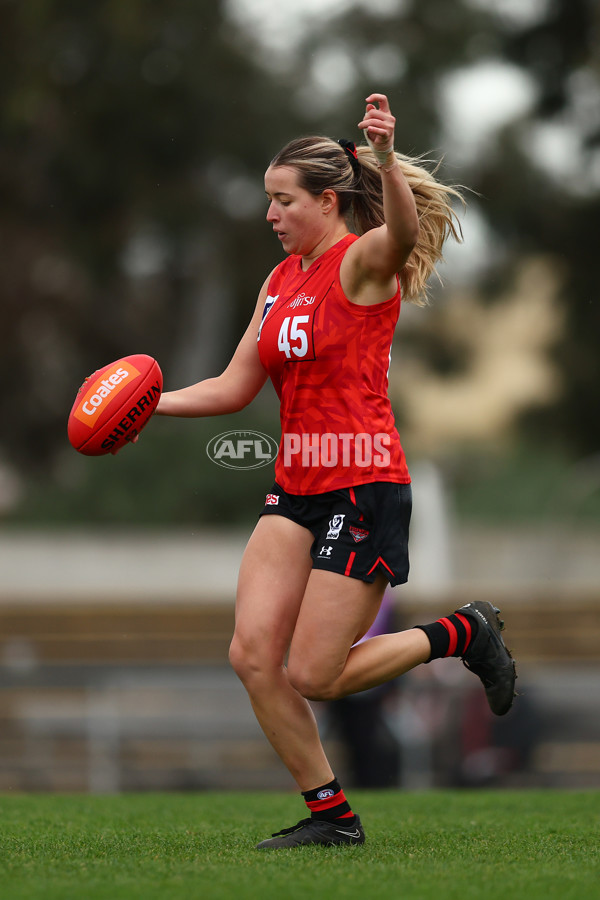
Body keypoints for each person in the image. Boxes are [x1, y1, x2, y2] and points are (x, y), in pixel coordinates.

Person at [155, 93, 516, 849]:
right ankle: (332, 818)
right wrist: (148, 404)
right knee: (253, 656)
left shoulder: (361, 261)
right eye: (267, 201)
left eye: (282, 200)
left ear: (328, 200)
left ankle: (463, 634)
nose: (270, 215)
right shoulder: (280, 279)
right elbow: (232, 386)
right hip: (296, 490)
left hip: (364, 483)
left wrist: (383, 158)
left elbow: (403, 231)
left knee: (317, 673)